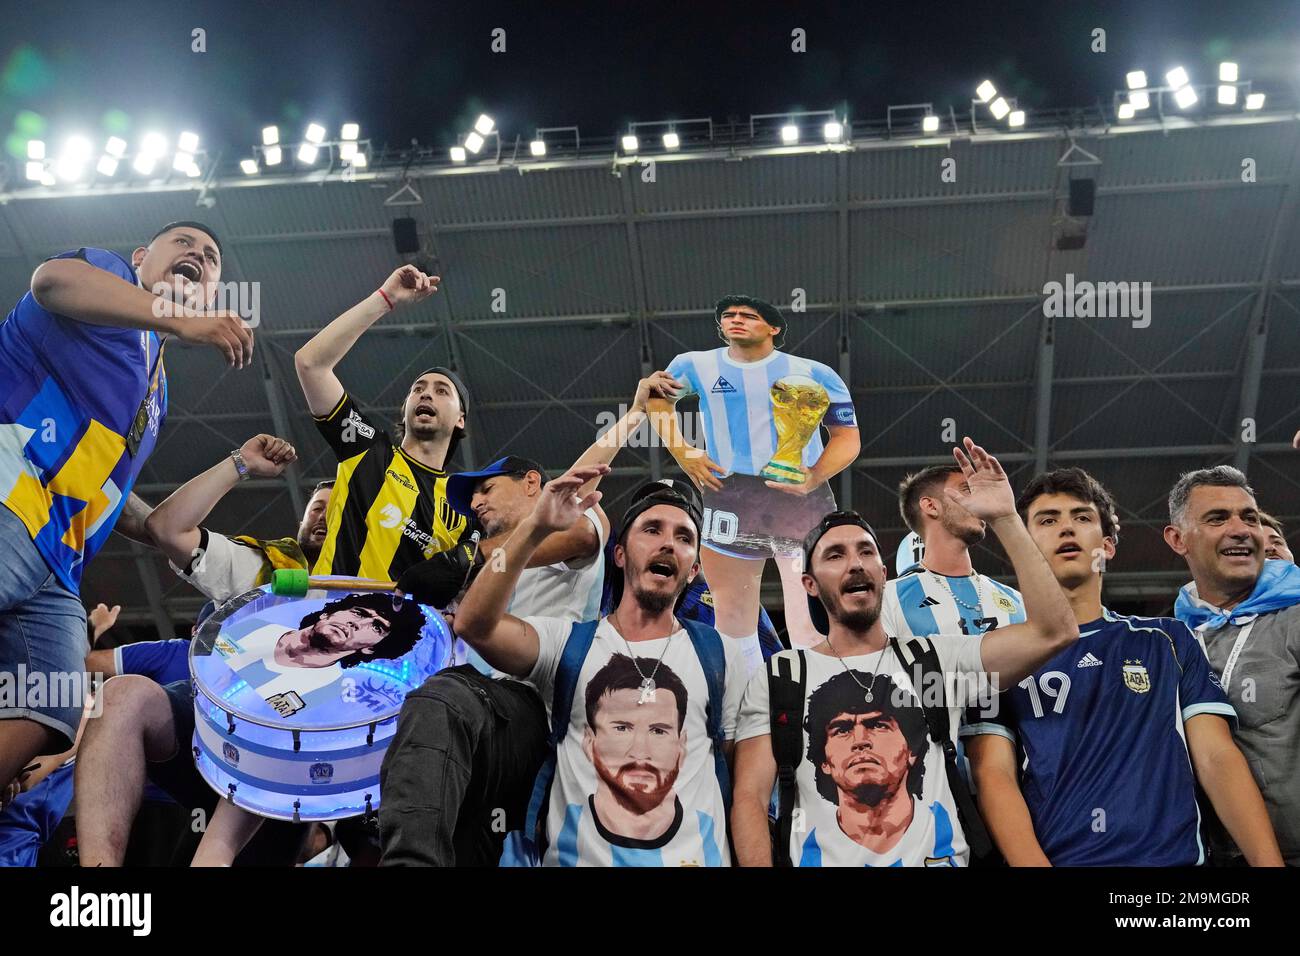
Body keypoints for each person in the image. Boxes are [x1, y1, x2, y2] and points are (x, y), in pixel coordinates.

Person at [730, 438, 1079, 867]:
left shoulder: (933, 662)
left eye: (865, 552)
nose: (854, 563)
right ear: (809, 584)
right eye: (835, 555)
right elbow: (749, 798)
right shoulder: (783, 676)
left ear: (883, 572)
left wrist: (1006, 517)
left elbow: (1054, 632)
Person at [379, 374, 674, 867]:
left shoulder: (573, 527)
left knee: (441, 700)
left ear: (533, 484)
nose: (475, 505)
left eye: (486, 489)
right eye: (470, 501)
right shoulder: (484, 575)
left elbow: (583, 492)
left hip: (533, 707)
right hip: (480, 728)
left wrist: (636, 413)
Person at [0, 220, 252, 793]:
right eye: (184, 244)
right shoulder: (106, 277)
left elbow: (107, 487)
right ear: (143, 257)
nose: (198, 255)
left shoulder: (157, 390)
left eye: (211, 257)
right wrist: (181, 319)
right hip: (8, 496)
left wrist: (160, 525)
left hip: (56, 567)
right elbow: (50, 281)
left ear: (212, 290)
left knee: (53, 705)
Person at [963, 467, 1282, 866]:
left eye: (1082, 517)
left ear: (1108, 546)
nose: (1067, 529)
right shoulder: (996, 659)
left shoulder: (1168, 639)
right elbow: (994, 775)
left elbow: (1217, 758)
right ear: (1022, 544)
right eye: (1048, 520)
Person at [452, 465, 747, 866]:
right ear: (620, 555)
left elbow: (742, 791)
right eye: (651, 529)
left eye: (684, 537)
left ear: (693, 569)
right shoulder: (568, 643)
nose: (667, 544)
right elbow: (474, 624)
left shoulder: (721, 656)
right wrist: (535, 529)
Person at [74, 438, 332, 867]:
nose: (324, 512)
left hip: (289, 778)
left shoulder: (373, 595)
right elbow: (166, 528)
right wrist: (239, 464)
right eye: (316, 506)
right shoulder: (267, 568)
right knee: (121, 697)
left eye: (337, 504)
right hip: (208, 739)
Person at [647, 294, 860, 655]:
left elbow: (847, 437)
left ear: (774, 328)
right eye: (728, 315)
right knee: (731, 621)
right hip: (729, 495)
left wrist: (813, 476)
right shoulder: (694, 364)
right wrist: (684, 452)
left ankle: (814, 703)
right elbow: (657, 398)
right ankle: (741, 709)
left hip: (799, 499)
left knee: (811, 616)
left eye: (748, 316)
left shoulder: (815, 372)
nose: (736, 320)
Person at [294, 264, 472, 581]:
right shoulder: (367, 450)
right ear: (405, 409)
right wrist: (385, 298)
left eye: (441, 391)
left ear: (460, 419)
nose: (426, 395)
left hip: (404, 629)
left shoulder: (464, 508)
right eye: (418, 389)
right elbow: (311, 364)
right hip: (328, 620)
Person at [1164, 466, 1300, 866]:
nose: (1241, 529)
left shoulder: (1294, 617)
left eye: (1250, 517)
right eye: (1217, 518)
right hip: (1207, 858)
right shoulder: (1168, 642)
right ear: (1177, 539)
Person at [884, 465, 1026, 639]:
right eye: (967, 490)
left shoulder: (1016, 600)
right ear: (931, 506)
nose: (980, 502)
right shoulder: (887, 601)